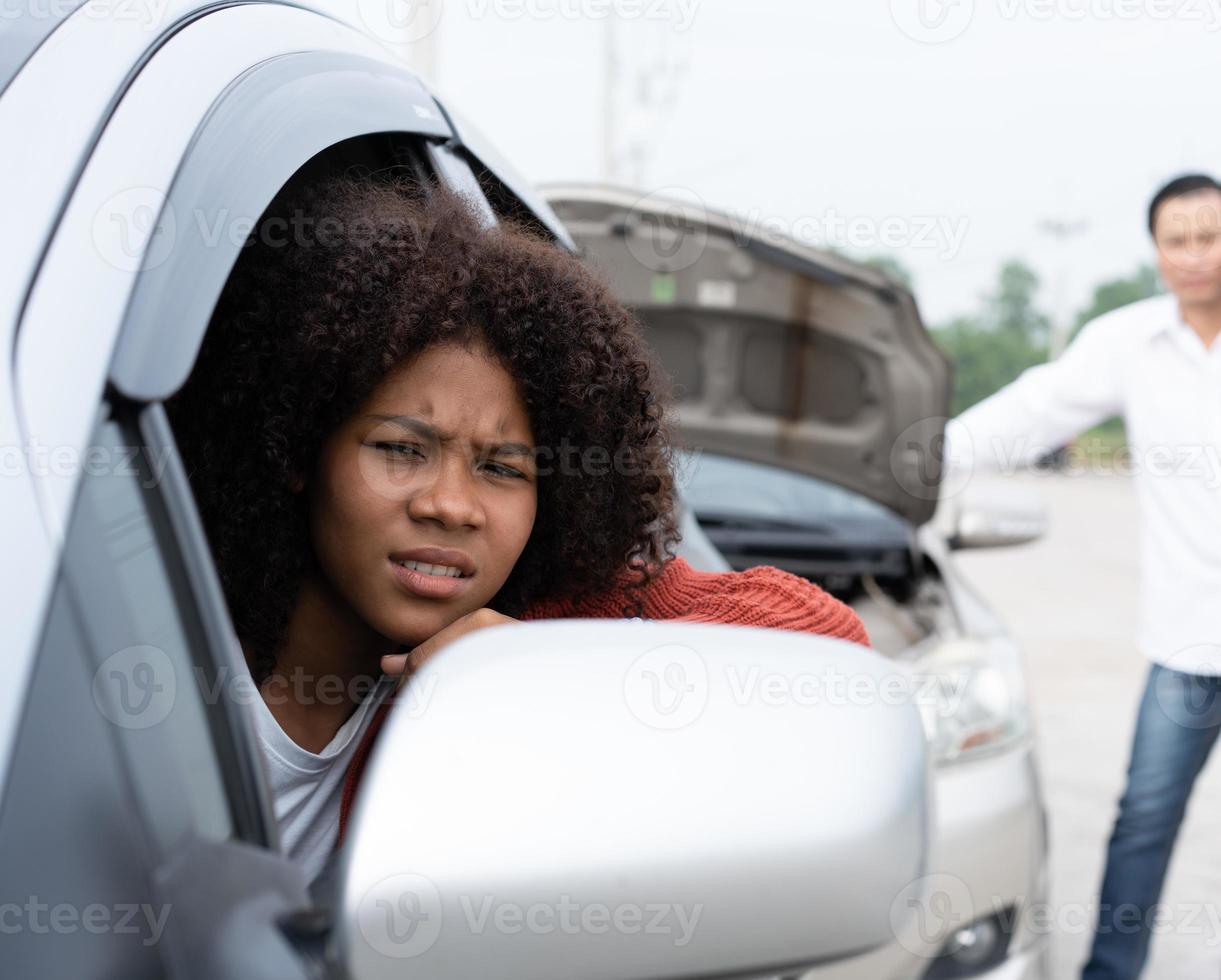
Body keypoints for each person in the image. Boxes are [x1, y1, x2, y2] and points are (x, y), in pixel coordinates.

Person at [168, 171, 869, 887]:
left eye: (502, 469)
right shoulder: (163, 662)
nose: (451, 505)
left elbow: (830, 661)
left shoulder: (536, 614)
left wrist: (539, 677)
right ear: (300, 450)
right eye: (402, 450)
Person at [945, 174, 1221, 979]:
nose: (1192, 255)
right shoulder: (1129, 342)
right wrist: (924, 460)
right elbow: (1034, 408)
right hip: (1193, 627)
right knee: (1144, 815)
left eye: (1208, 237)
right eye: (1174, 240)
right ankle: (1111, 972)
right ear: (1156, 249)